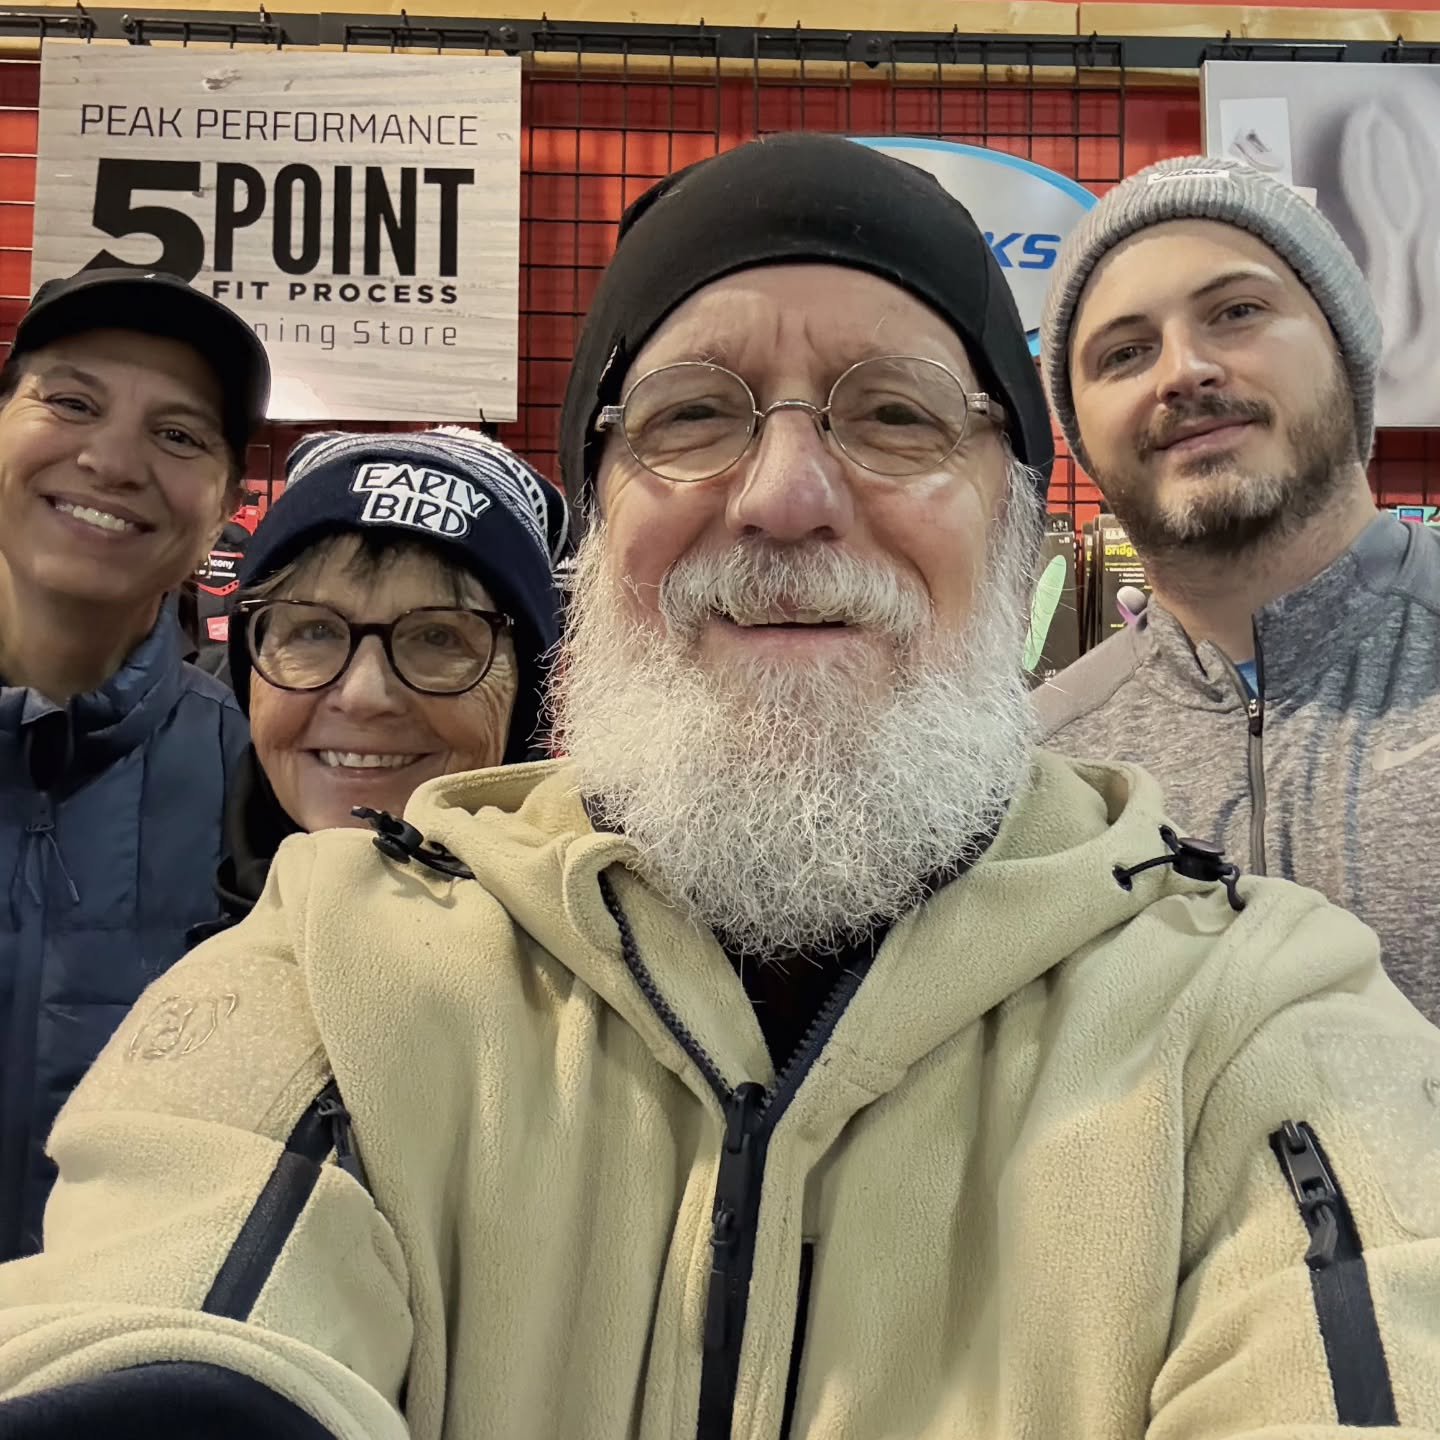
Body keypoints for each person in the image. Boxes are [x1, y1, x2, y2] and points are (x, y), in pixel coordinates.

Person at [2, 135, 1439, 1439]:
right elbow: (158, 1320)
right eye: (693, 417)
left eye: (895, 416)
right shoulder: (342, 955)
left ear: (1015, 525)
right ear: (597, 519)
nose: (785, 493)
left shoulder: (1256, 1005)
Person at [1035, 154, 1440, 1023]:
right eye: (1125, 352)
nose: (1182, 371)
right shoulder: (1043, 772)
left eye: (1238, 312)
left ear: (1346, 345)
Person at [0, 268, 268, 1262]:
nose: (112, 460)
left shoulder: (264, 780)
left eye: (178, 434)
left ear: (227, 504)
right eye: (71, 401)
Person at [199, 427, 567, 935]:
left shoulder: (606, 954)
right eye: (315, 631)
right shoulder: (150, 880)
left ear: (526, 693)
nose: (364, 696)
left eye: (438, 638)